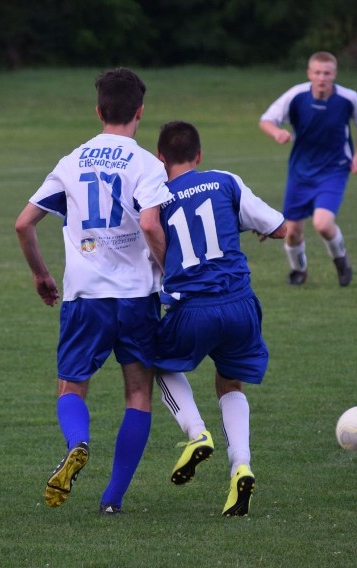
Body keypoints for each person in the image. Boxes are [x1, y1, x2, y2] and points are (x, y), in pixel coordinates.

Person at [15, 68, 174, 515]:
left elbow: (23, 222)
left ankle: (77, 442)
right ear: (139, 112)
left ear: (98, 111)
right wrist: (168, 275)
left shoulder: (72, 161)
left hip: (84, 297)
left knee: (71, 386)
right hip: (138, 297)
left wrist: (41, 274)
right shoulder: (147, 164)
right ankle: (112, 499)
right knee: (138, 393)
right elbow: (151, 224)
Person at [141, 120, 286, 516]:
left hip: (193, 308)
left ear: (160, 159)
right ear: (199, 156)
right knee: (229, 381)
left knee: (158, 365)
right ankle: (241, 464)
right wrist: (264, 231)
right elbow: (279, 227)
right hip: (241, 305)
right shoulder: (225, 180)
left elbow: (154, 249)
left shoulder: (155, 197)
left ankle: (196, 432)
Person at [259, 51, 357, 286]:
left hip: (334, 169)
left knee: (322, 224)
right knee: (291, 232)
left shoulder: (347, 98)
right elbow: (266, 120)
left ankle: (341, 260)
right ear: (310, 73)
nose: (322, 77)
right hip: (301, 172)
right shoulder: (297, 95)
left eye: (327, 73)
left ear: (334, 74)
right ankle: (299, 270)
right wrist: (277, 132)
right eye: (317, 72)